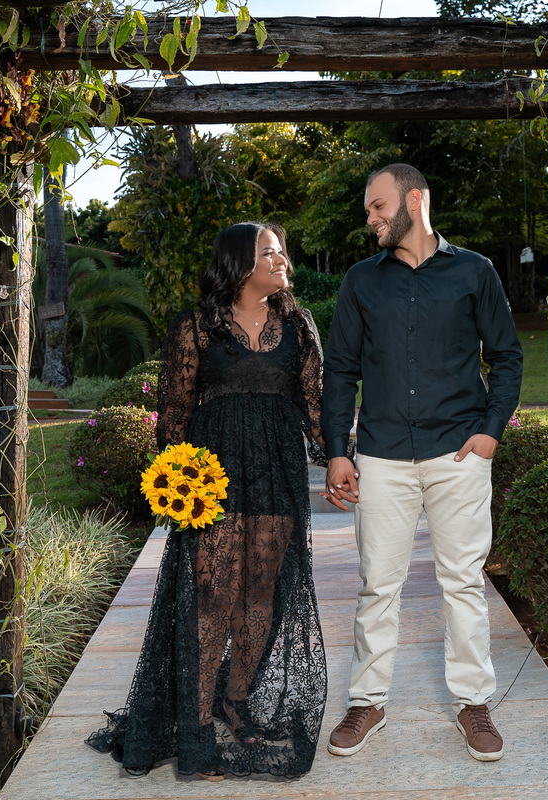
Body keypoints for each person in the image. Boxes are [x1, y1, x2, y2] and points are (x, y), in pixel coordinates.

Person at [86, 222, 328, 780]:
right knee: (214, 597)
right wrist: (176, 485)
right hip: (214, 481)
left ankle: (235, 701)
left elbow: (315, 404)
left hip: (275, 473)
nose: (282, 260)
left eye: (282, 251)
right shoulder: (196, 327)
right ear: (240, 264)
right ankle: (195, 727)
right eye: (271, 252)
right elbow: (174, 412)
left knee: (262, 595)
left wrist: (342, 458)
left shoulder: (297, 324)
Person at [320, 164, 524, 762]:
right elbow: (341, 371)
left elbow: (507, 356)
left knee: (462, 582)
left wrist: (490, 433)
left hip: (459, 452)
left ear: (414, 198)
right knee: (377, 584)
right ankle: (368, 702)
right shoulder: (361, 281)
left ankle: (473, 703)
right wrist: (337, 450)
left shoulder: (474, 271)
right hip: (382, 455)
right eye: (368, 210)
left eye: (378, 207)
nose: (371, 219)